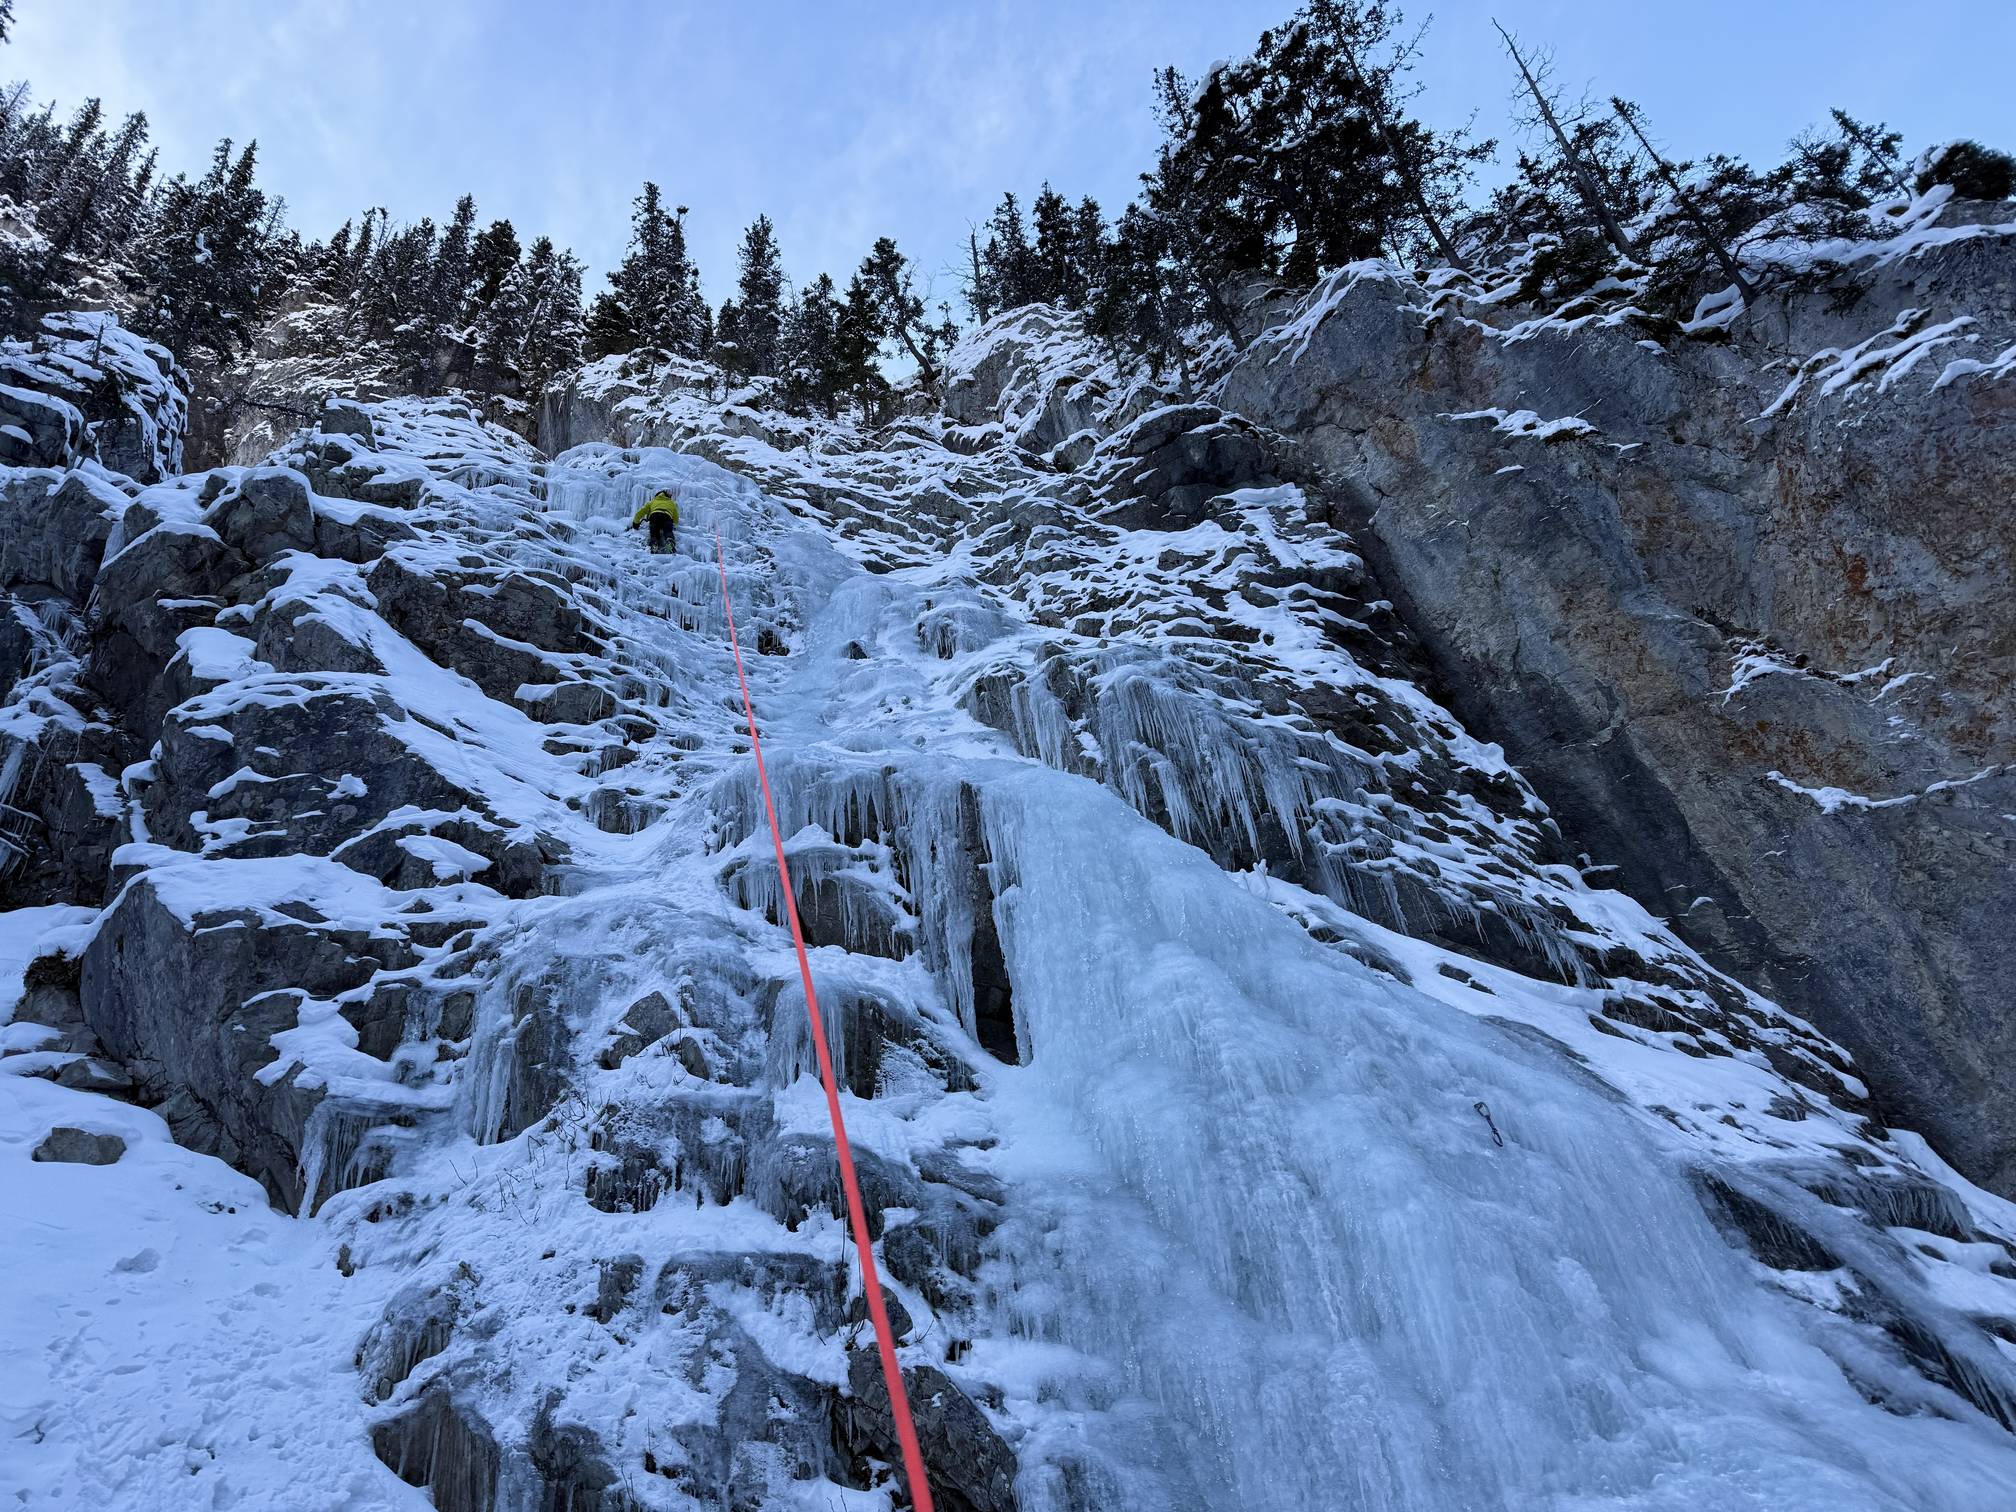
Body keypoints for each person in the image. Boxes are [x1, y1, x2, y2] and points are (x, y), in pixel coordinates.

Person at [631, 490, 680, 554]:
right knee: (668, 531)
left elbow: (639, 513)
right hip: (667, 517)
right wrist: (675, 524)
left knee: (654, 533)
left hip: (654, 516)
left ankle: (654, 544)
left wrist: (635, 523)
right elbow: (676, 517)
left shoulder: (652, 502)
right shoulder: (671, 503)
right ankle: (670, 541)